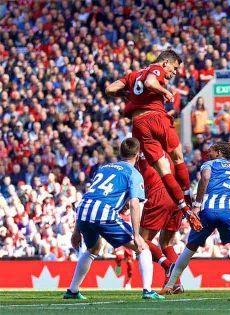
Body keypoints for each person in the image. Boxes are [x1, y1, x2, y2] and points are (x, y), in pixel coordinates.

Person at [106, 49, 202, 232]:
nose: (173, 73)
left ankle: (184, 208)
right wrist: (164, 91)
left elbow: (109, 89)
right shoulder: (156, 69)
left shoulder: (132, 75)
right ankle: (188, 199)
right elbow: (150, 82)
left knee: (163, 169)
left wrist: (126, 95)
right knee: (178, 158)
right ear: (165, 62)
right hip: (156, 118)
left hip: (139, 126)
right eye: (173, 69)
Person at [63, 138, 163, 300]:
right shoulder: (133, 173)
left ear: (120, 153)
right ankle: (148, 291)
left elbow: (93, 194)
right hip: (103, 212)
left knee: (94, 249)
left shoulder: (104, 168)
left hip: (83, 209)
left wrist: (76, 230)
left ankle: (72, 291)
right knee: (142, 247)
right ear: (137, 155)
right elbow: (134, 204)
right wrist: (137, 234)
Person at [161, 141, 230, 296]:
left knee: (190, 248)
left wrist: (196, 204)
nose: (208, 153)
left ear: (219, 153)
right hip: (228, 211)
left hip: (207, 211)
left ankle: (169, 285)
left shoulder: (209, 164)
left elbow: (206, 177)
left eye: (211, 151)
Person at [138, 153, 184, 294]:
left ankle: (168, 266)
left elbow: (142, 177)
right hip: (176, 194)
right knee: (166, 244)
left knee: (140, 241)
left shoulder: (144, 149)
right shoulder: (169, 150)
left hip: (159, 195)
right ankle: (175, 284)